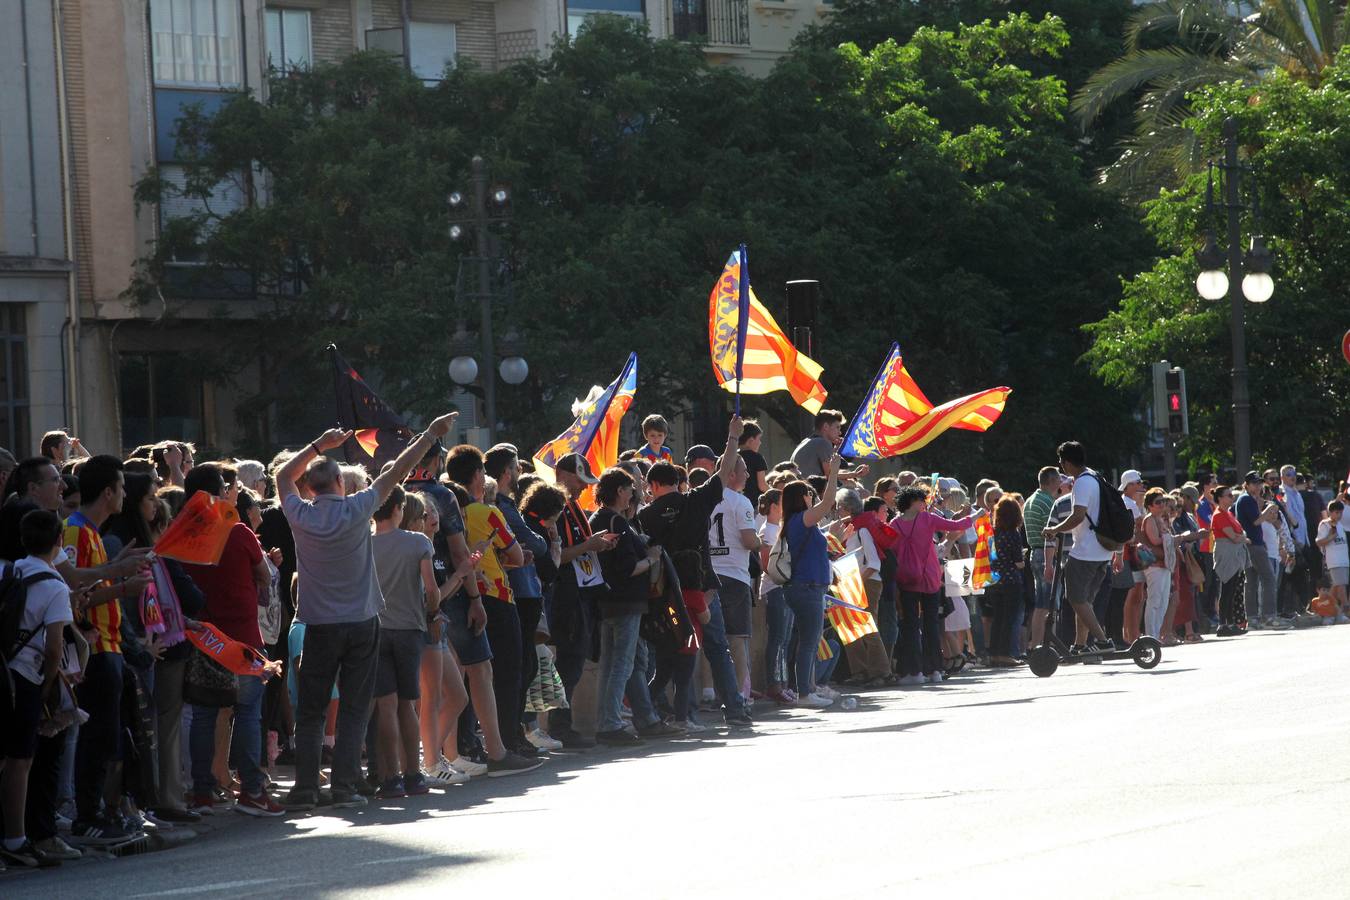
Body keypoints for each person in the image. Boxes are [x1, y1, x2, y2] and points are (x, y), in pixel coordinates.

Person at [276, 411, 460, 811]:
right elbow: (399, 471)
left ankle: (306, 788)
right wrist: (430, 434)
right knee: (356, 708)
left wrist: (317, 446)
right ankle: (344, 786)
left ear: (308, 487)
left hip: (318, 624)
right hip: (361, 622)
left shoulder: (300, 514)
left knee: (311, 710)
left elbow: (282, 477)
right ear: (341, 483)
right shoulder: (358, 507)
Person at [180, 463, 282, 816]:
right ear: (220, 493)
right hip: (242, 640)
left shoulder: (182, 536)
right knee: (248, 713)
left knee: (206, 715)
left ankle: (202, 792)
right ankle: (252, 790)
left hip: (204, 638)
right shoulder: (238, 532)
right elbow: (264, 577)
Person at [639, 415, 752, 728]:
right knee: (714, 647)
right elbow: (724, 469)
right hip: (703, 590)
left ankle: (667, 712)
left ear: (653, 485)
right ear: (678, 480)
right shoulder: (697, 500)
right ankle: (733, 708)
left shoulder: (646, 515)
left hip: (666, 597)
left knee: (669, 654)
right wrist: (732, 438)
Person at [444, 445, 541, 775]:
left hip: (457, 596)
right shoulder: (486, 513)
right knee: (505, 673)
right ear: (476, 476)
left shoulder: (446, 513)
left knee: (463, 680)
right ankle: (506, 744)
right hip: (495, 598)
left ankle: (466, 744)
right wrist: (505, 558)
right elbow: (516, 555)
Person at [1, 510, 72, 868]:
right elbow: (55, 649)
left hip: (1, 670)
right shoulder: (55, 586)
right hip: (25, 679)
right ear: (59, 542)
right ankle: (15, 838)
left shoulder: (7, 570)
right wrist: (47, 687)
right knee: (20, 760)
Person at [588, 467, 673, 744]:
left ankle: (607, 722)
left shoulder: (597, 518)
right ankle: (610, 723)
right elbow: (627, 568)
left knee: (613, 663)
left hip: (606, 601)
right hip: (625, 602)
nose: (631, 495)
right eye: (628, 490)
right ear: (619, 491)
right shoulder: (617, 522)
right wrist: (650, 559)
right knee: (621, 665)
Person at [547, 452, 620, 750]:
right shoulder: (552, 507)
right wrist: (588, 545)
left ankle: (564, 725)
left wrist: (596, 543)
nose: (583, 488)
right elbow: (556, 556)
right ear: (562, 475)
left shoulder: (574, 507)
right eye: (579, 481)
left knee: (576, 661)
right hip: (565, 595)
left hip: (584, 592)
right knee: (568, 662)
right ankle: (559, 726)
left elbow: (579, 548)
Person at [370, 485, 438, 798]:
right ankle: (414, 774)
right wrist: (431, 611)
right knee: (408, 705)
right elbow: (432, 589)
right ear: (399, 507)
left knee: (385, 706)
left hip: (376, 629)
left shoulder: (364, 545)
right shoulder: (417, 542)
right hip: (410, 628)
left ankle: (391, 777)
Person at [485, 445, 550, 753]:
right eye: (516, 468)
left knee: (523, 667)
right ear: (507, 471)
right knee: (518, 668)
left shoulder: (502, 506)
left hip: (518, 591)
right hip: (517, 592)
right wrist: (538, 541)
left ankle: (513, 732)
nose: (519, 474)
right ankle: (510, 734)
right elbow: (535, 544)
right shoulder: (504, 508)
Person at [889, 486, 975, 683]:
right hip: (930, 577)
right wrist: (972, 516)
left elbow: (891, 549)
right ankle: (934, 670)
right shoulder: (927, 519)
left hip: (907, 578)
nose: (924, 504)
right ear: (914, 502)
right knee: (932, 625)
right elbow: (955, 526)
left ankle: (913, 672)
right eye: (922, 500)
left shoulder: (894, 524)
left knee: (910, 625)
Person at [1040, 442, 1117, 655]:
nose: (1061, 466)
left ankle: (1102, 641)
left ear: (1066, 462)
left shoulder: (1082, 483)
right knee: (1085, 601)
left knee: (1076, 599)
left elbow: (1077, 515)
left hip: (1085, 551)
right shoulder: (1095, 477)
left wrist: (1054, 529)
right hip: (1103, 550)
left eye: (1061, 462)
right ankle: (1080, 645)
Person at [777, 456, 842, 707]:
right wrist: (833, 473)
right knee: (809, 642)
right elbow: (828, 502)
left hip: (806, 587)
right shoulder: (801, 518)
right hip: (806, 587)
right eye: (808, 494)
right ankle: (805, 693)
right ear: (800, 498)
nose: (811, 497)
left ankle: (808, 689)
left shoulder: (799, 521)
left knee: (809, 641)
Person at [708, 455, 760, 699]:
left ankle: (709, 692)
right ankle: (740, 695)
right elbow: (749, 540)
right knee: (737, 639)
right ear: (730, 474)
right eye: (744, 471)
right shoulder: (741, 502)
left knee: (710, 640)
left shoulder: (704, 499)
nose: (748, 476)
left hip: (709, 576)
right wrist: (761, 542)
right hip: (735, 577)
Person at [1234, 471, 1285, 630]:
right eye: (1255, 483)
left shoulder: (1247, 499)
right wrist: (1268, 508)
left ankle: (1252, 618)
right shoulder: (1247, 499)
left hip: (1249, 544)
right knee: (1269, 578)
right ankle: (1268, 617)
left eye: (1259, 483)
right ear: (1247, 485)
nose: (1258, 486)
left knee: (1251, 582)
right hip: (1254, 544)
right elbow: (1256, 521)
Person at [985, 497, 1026, 667]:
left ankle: (994, 654)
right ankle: (1006, 654)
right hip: (1011, 580)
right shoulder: (1013, 534)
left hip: (995, 580)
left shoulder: (993, 534)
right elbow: (1018, 562)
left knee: (998, 618)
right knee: (1010, 618)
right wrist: (1023, 558)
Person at [1210, 486, 1249, 636]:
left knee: (1232, 589)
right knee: (1227, 589)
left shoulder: (1228, 513)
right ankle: (1223, 624)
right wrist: (1244, 539)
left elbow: (1237, 534)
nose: (1232, 498)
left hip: (1234, 553)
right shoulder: (1219, 515)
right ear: (1220, 498)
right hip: (1226, 553)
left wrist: (1241, 538)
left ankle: (1231, 623)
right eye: (1228, 495)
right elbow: (1232, 536)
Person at [789, 410, 868, 481]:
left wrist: (835, 449)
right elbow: (830, 475)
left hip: (801, 488)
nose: (840, 433)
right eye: (837, 427)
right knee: (851, 485)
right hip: (810, 489)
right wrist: (855, 474)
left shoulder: (807, 441)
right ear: (826, 426)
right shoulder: (823, 443)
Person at [1316, 501, 1348, 622]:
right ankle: (1345, 610)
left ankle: (1328, 612)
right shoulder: (1324, 524)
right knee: (1341, 586)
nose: (1339, 515)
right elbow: (1319, 542)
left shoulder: (1340, 525)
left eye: (1341, 512)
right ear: (1330, 512)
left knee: (1335, 588)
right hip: (1334, 560)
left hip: (1344, 559)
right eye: (1336, 512)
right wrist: (1330, 537)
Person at [738, 420, 769, 507]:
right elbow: (762, 485)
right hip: (754, 504)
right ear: (750, 440)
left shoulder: (733, 457)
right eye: (759, 439)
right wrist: (774, 492)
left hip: (737, 501)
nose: (760, 442)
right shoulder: (757, 458)